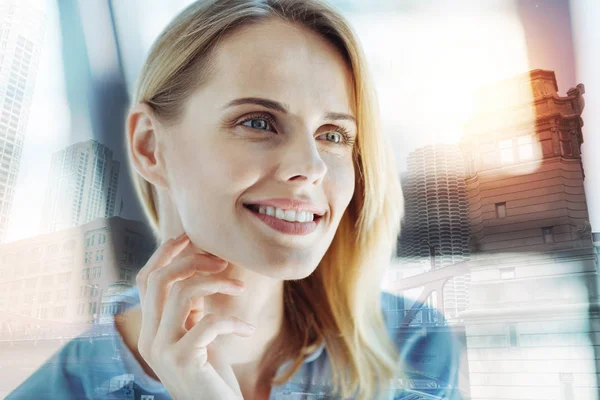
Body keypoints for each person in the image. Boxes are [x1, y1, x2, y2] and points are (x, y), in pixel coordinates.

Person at [7, 0, 463, 399]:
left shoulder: (414, 349)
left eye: (333, 134)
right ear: (150, 146)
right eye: (259, 122)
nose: (312, 166)